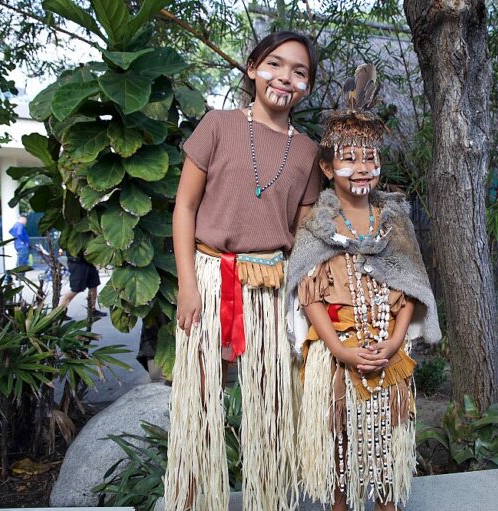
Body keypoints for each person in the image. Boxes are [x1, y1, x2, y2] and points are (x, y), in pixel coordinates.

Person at [166, 31, 322, 511]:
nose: (285, 78)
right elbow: (184, 208)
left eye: (299, 72)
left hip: (270, 287)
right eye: (275, 64)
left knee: (270, 406)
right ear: (253, 68)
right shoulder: (216, 125)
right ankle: (193, 500)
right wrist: (188, 286)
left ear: (307, 88)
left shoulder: (309, 153)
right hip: (210, 276)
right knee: (199, 402)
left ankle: (270, 500)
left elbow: (306, 234)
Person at [286, 64, 441, 511]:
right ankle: (339, 501)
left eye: (371, 157)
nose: (362, 168)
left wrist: (395, 342)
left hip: (389, 354)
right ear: (327, 165)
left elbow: (410, 288)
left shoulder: (394, 222)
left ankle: (387, 503)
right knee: (339, 444)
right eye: (350, 158)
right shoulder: (318, 226)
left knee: (389, 447)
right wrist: (339, 349)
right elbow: (308, 293)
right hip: (338, 358)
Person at [59, 254, 106, 318]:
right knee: (76, 288)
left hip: (89, 261)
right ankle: (60, 312)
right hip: (77, 262)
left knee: (93, 285)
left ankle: (92, 310)